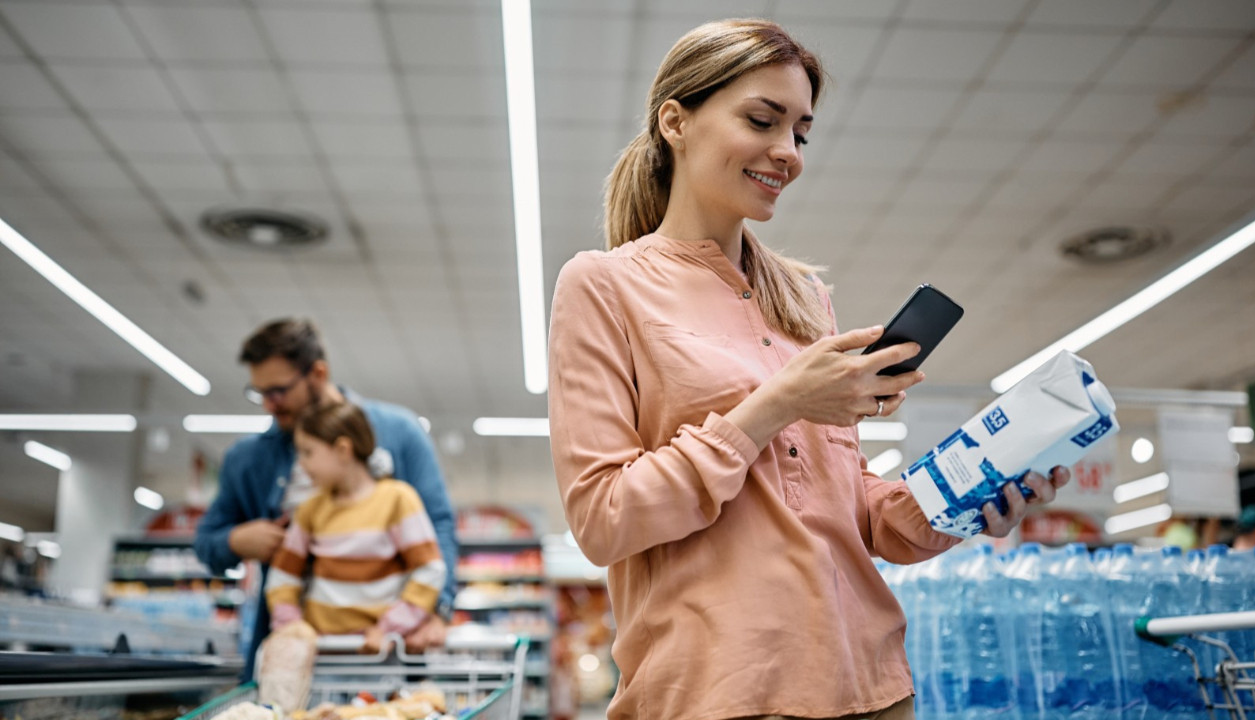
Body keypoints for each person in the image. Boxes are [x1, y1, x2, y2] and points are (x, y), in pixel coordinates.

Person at [546, 19, 1071, 720]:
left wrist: (970, 495)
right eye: (763, 120)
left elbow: (852, 514)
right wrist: (777, 402)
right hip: (721, 691)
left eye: (800, 132)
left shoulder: (805, 299)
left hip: (874, 685)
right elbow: (604, 519)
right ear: (676, 120)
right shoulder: (603, 286)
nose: (786, 151)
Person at [195, 319, 457, 680]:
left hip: (385, 649)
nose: (269, 405)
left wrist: (436, 608)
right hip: (296, 652)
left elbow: (436, 527)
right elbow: (206, 541)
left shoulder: (400, 432)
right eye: (259, 393)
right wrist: (236, 541)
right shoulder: (247, 460)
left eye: (279, 391)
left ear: (317, 373)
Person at [266, 402, 446, 654]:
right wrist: (292, 626)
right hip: (323, 654)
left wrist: (390, 627)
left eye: (308, 453)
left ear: (342, 450)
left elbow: (429, 570)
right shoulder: (311, 509)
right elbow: (283, 576)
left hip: (380, 652)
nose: (301, 465)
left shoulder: (397, 500)